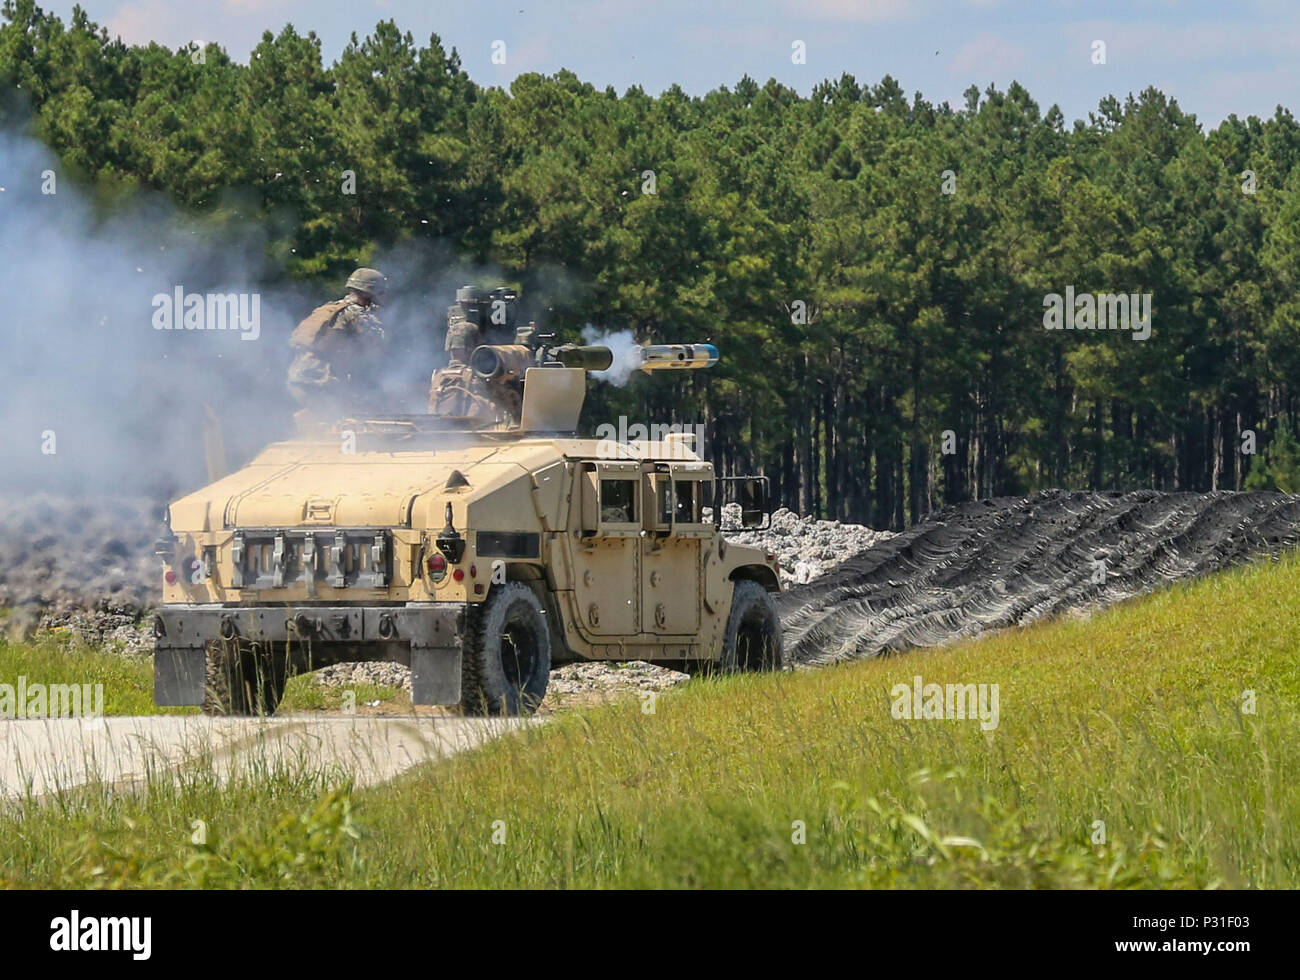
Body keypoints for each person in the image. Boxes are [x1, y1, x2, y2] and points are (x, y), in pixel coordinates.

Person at [287, 268, 388, 418]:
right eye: (380, 293)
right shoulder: (355, 312)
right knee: (352, 417)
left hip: (300, 375)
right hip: (322, 380)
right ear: (368, 292)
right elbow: (378, 341)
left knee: (325, 417)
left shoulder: (329, 308)